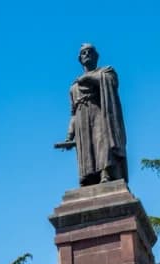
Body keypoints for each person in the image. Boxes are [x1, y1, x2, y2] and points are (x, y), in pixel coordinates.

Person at [54, 43, 128, 186]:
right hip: (82, 120)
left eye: (90, 52)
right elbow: (73, 113)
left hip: (101, 114)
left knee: (102, 141)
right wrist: (70, 136)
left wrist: (89, 78)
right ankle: (88, 177)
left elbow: (111, 83)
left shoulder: (106, 71)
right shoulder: (74, 86)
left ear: (96, 56)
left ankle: (105, 173)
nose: (86, 54)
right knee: (87, 148)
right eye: (83, 53)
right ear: (80, 59)